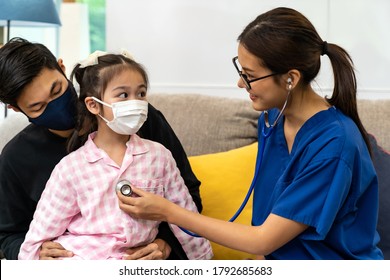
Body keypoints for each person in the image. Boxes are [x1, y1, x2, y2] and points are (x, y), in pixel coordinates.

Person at [117, 7, 384, 259]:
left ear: (291, 78)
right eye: (241, 71)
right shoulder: (272, 119)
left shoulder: (334, 145)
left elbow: (264, 239)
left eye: (250, 75)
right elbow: (265, 234)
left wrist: (168, 211)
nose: (240, 83)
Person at [0, 38, 202, 260]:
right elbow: (8, 234)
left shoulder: (133, 117)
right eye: (37, 107)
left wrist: (166, 243)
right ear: (16, 108)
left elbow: (188, 196)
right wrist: (36, 252)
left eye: (56, 90)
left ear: (61, 67)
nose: (54, 105)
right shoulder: (15, 158)